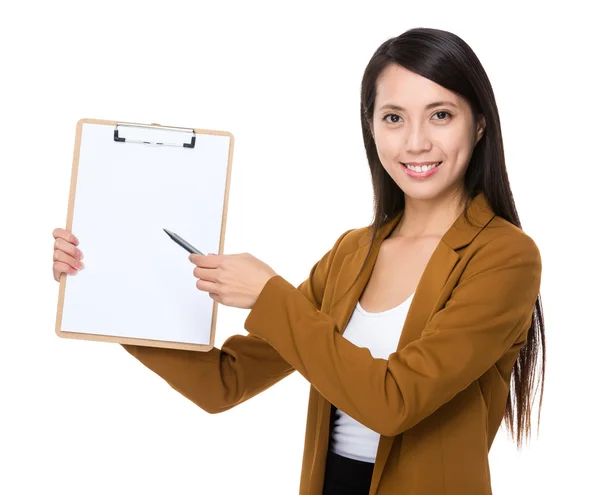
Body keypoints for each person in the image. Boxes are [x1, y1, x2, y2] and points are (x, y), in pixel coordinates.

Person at [52, 27, 545, 495]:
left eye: (441, 115)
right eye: (393, 117)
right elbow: (225, 381)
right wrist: (102, 293)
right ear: (371, 128)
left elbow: (394, 402)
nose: (415, 142)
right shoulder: (354, 253)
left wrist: (270, 295)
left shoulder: (504, 257)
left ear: (479, 124)